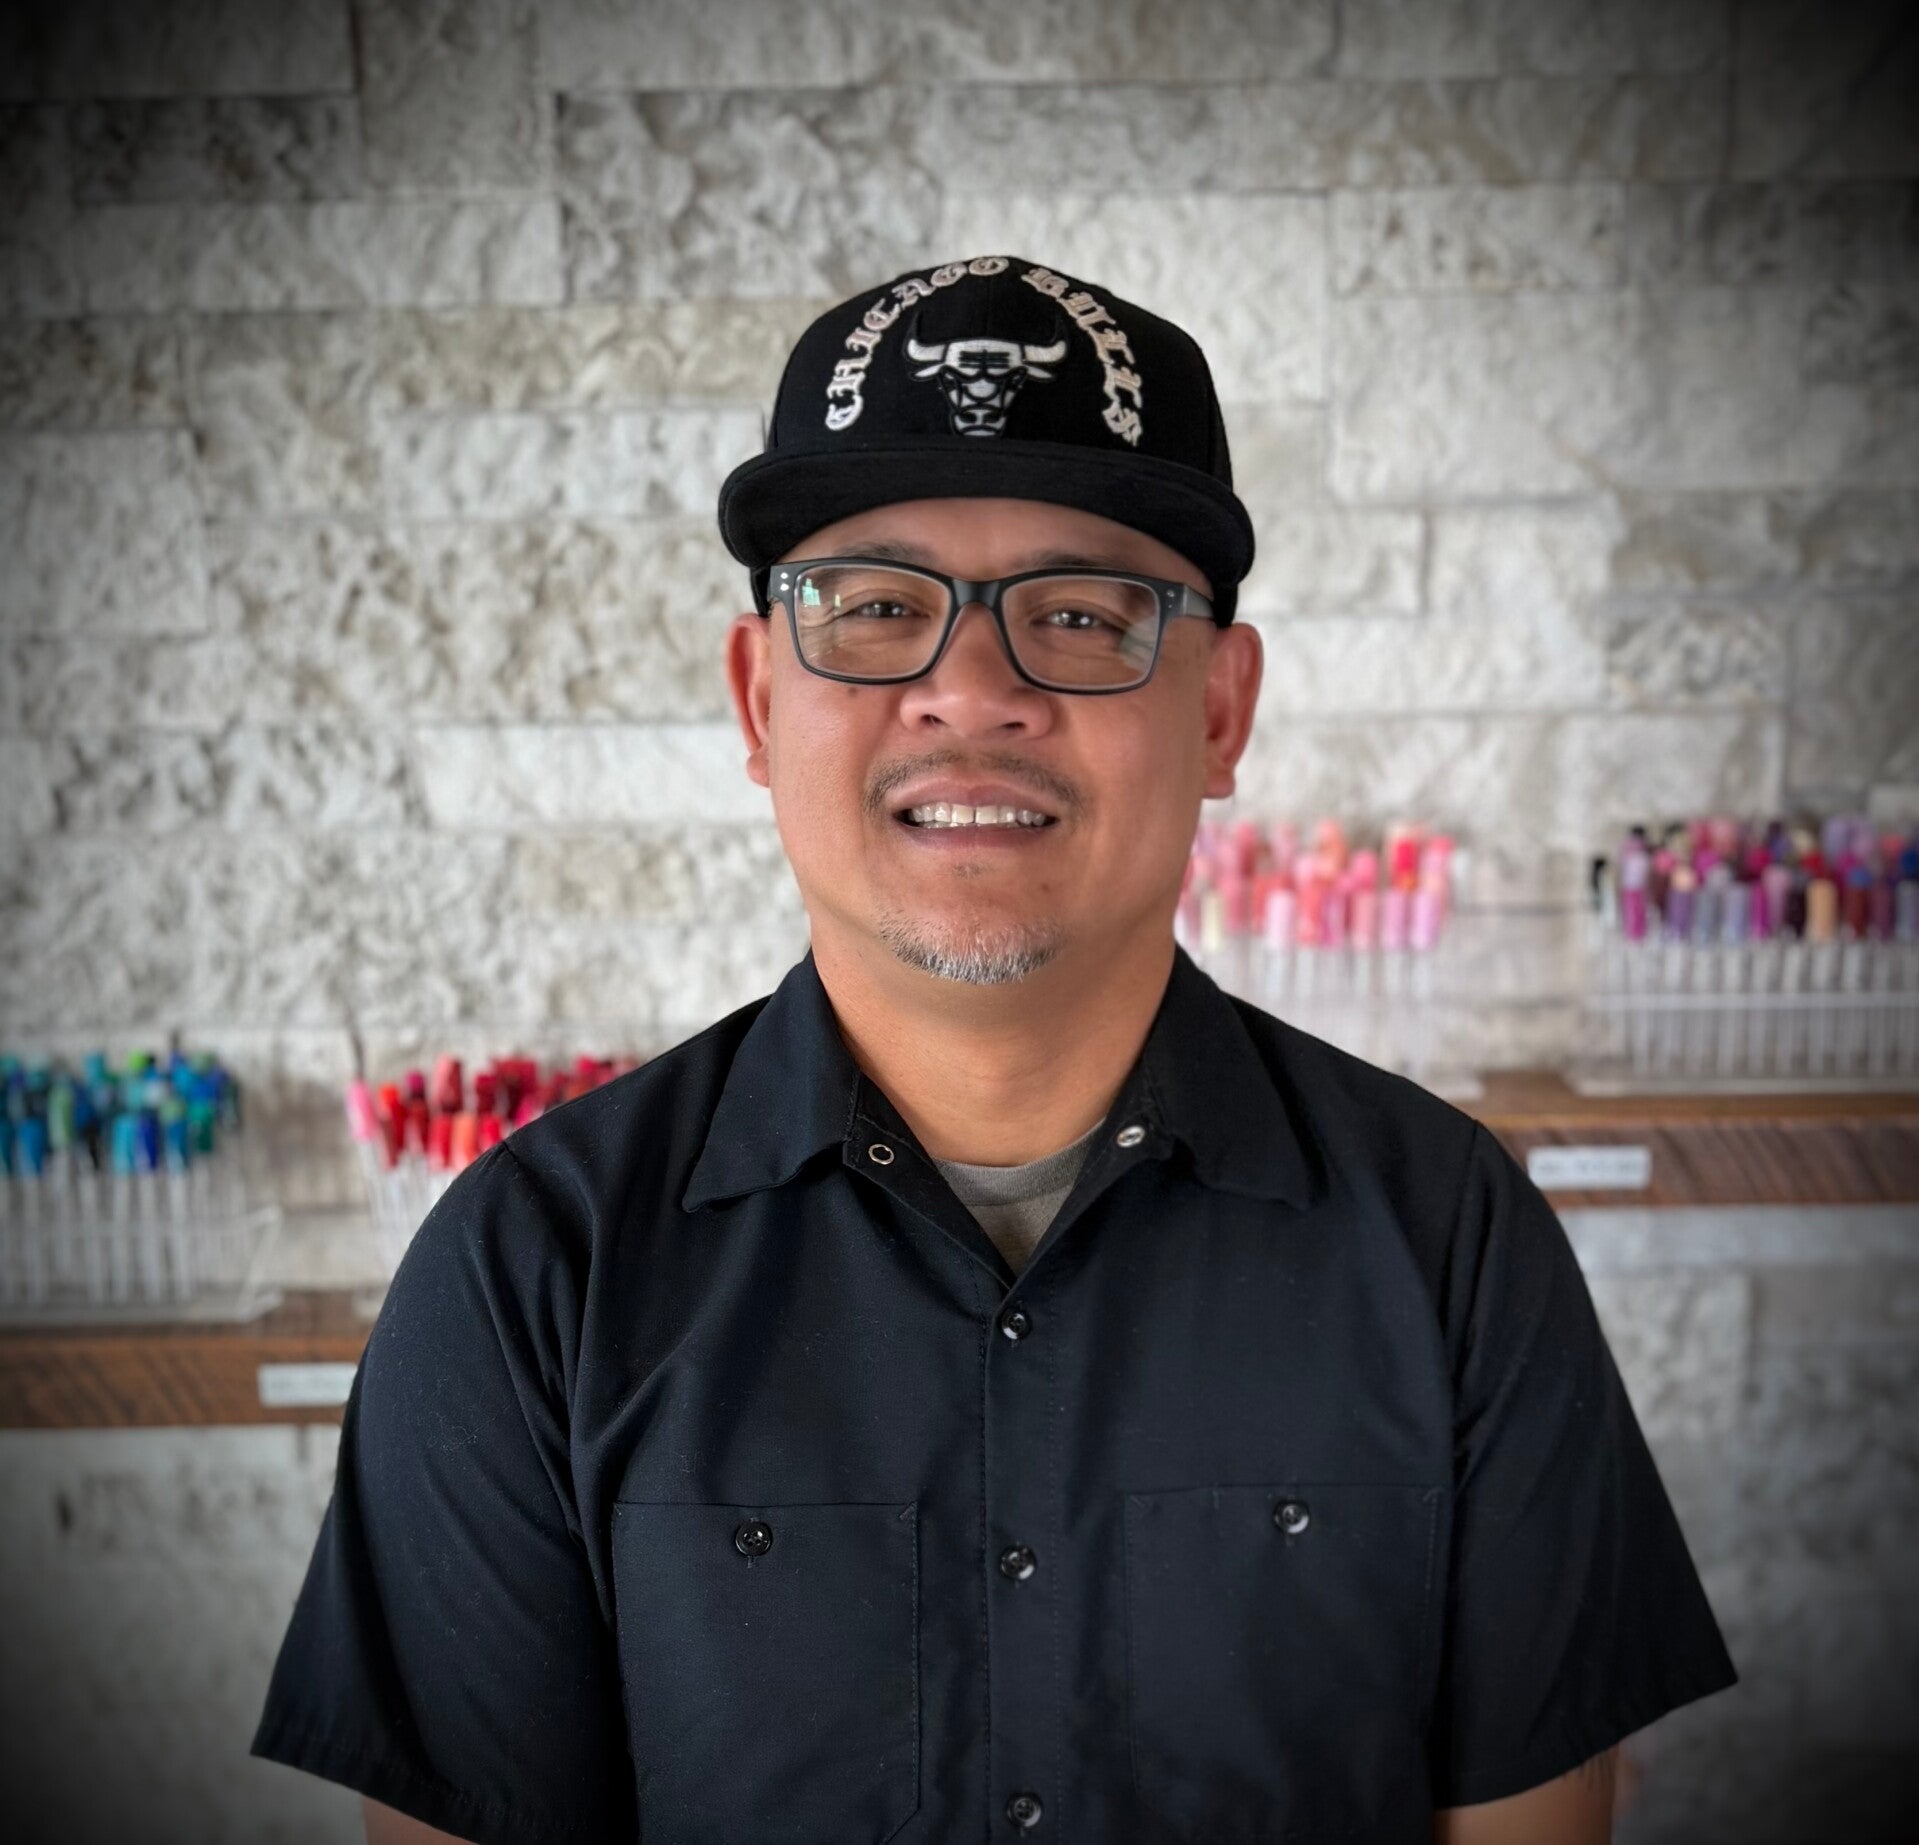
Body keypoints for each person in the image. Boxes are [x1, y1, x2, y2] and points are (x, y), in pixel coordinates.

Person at [253, 255, 1737, 1844]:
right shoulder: (527, 1275)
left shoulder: (1451, 1241)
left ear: (1221, 712)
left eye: (1081, 615)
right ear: (758, 700)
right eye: (878, 609)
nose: (970, 691)